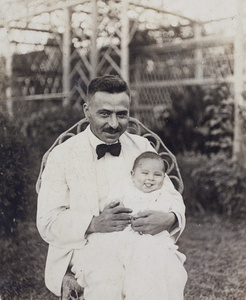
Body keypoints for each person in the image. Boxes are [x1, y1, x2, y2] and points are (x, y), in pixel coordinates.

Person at [36, 75, 187, 299]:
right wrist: (94, 223)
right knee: (107, 277)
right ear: (87, 111)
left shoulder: (142, 147)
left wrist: (171, 218)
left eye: (121, 114)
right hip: (87, 245)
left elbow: (171, 196)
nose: (114, 124)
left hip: (141, 241)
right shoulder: (63, 155)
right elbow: (47, 221)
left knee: (164, 268)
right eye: (104, 113)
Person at [71, 151, 187, 299]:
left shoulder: (164, 191)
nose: (150, 178)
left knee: (158, 269)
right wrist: (116, 205)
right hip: (120, 233)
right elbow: (114, 199)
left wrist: (167, 216)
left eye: (157, 175)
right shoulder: (125, 185)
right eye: (145, 173)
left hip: (150, 238)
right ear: (133, 174)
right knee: (110, 268)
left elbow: (174, 204)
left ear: (164, 177)